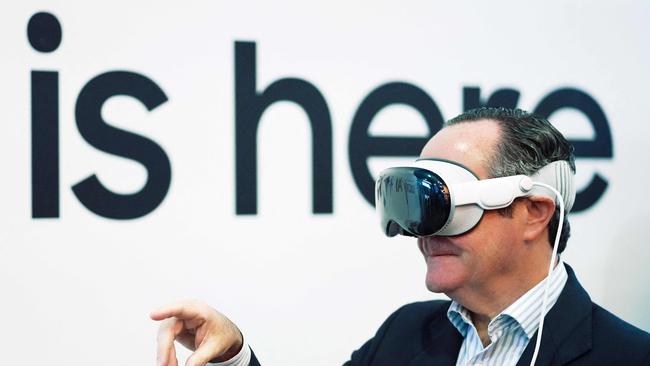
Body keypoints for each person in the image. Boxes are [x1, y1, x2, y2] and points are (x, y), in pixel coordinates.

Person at [150, 108, 650, 366]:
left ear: (536, 212)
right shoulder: (405, 336)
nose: (419, 232)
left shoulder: (629, 358)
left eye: (443, 204)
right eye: (410, 208)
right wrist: (235, 353)